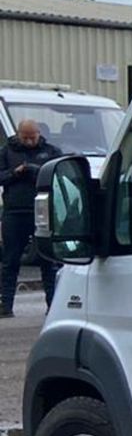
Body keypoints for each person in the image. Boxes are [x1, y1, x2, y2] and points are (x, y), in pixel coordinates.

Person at [1, 119, 63, 317]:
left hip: (43, 211)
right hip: (15, 211)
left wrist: (38, 172)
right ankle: (5, 305)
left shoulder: (51, 152)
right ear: (19, 135)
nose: (29, 141)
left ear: (38, 134)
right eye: (25, 137)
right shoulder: (7, 151)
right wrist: (15, 173)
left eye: (32, 137)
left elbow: (59, 176)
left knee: (49, 261)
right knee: (10, 260)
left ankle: (53, 305)